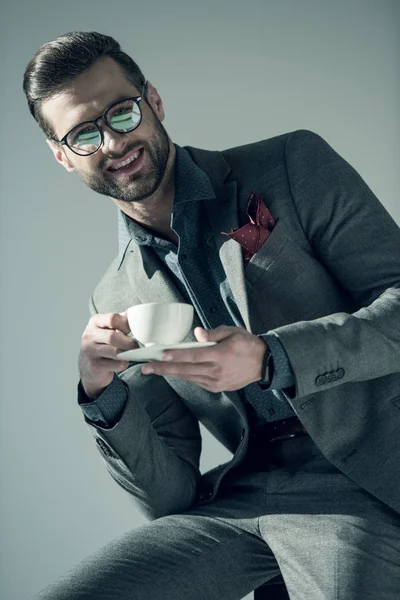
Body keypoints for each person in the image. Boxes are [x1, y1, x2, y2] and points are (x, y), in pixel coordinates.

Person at [23, 31, 400, 600]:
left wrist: (273, 358)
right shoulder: (113, 298)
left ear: (153, 100)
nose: (112, 142)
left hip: (366, 479)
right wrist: (104, 399)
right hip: (240, 501)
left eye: (122, 112)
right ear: (62, 156)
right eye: (83, 133)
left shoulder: (291, 164)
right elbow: (168, 497)